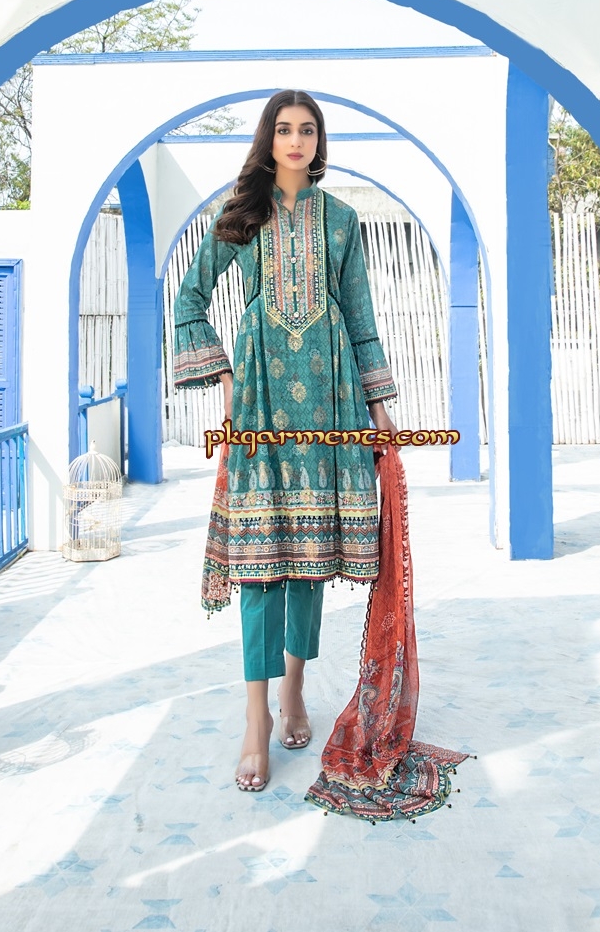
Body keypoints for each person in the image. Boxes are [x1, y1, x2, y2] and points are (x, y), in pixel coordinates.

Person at [173, 89, 399, 793]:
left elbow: (359, 315)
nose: (296, 140)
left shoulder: (342, 220)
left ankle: (294, 689)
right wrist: (224, 375)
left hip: (331, 399)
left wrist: (379, 406)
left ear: (319, 140)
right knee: (258, 561)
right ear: (267, 139)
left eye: (307, 129)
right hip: (261, 398)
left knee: (307, 559)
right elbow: (188, 299)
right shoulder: (241, 214)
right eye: (283, 129)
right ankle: (255, 717)